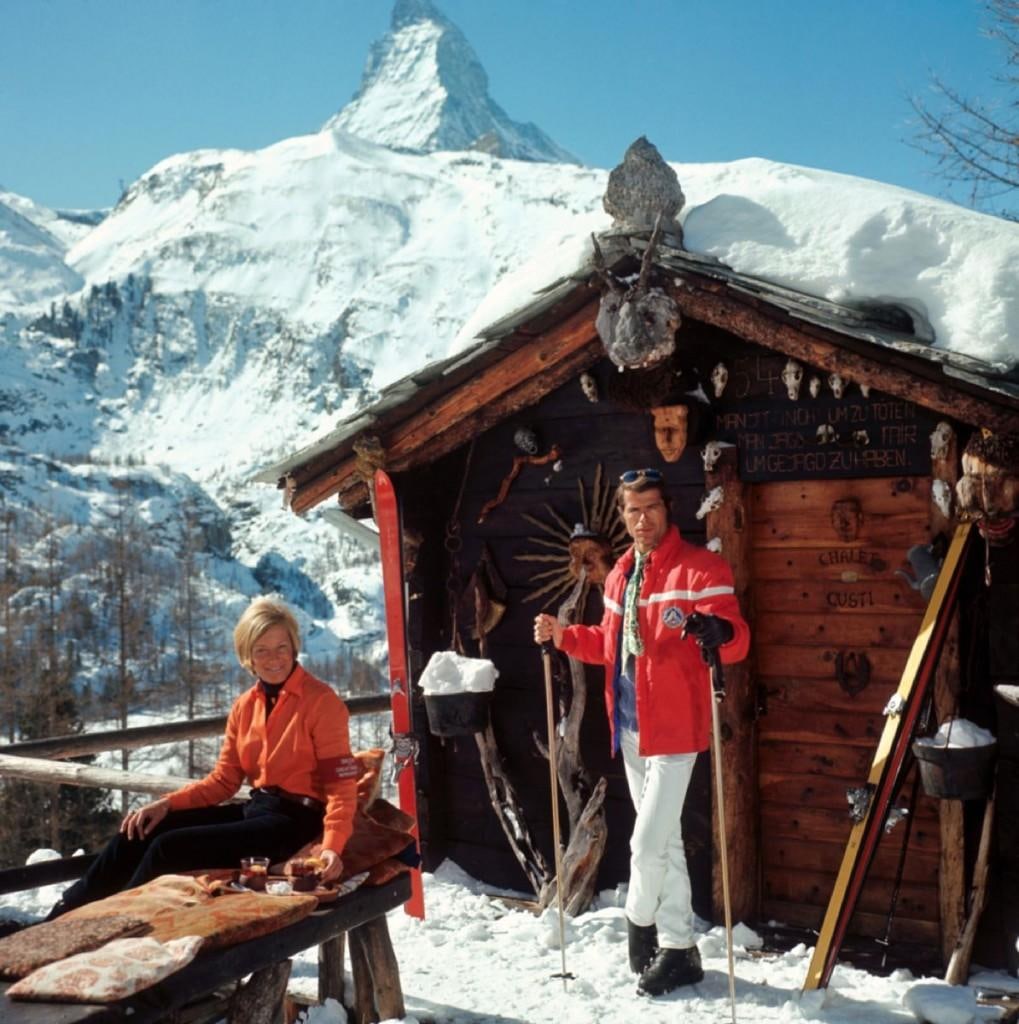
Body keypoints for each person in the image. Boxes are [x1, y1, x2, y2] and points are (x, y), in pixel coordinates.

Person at [534, 468, 749, 997]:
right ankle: (680, 949)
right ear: (623, 515)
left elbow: (736, 638)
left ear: (666, 508)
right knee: (666, 841)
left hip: (676, 730)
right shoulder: (620, 576)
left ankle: (640, 919)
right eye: (633, 510)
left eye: (651, 507)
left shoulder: (700, 568)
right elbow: (608, 644)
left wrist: (717, 631)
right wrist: (563, 636)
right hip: (630, 727)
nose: (642, 519)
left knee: (646, 843)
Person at [48, 597, 359, 918]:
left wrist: (332, 847)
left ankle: (114, 921)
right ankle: (61, 914)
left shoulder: (321, 702)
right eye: (262, 650)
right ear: (248, 656)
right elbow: (223, 781)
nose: (274, 658)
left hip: (293, 823)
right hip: (256, 811)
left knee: (170, 846)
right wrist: (166, 805)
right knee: (143, 829)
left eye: (282, 647)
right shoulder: (245, 706)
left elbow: (342, 787)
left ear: (294, 647)